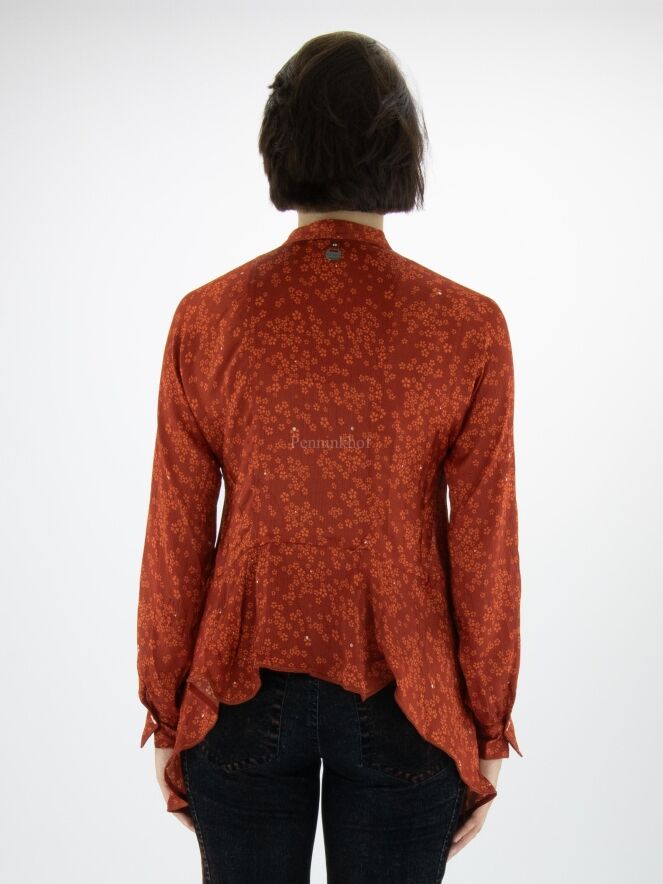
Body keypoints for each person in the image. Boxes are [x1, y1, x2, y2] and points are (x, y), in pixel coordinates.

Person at [136, 30, 523, 884]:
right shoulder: (466, 327)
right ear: (402, 151)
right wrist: (488, 726)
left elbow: (175, 533)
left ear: (280, 148)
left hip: (236, 695)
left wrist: (166, 712)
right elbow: (483, 546)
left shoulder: (207, 319)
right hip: (409, 699)